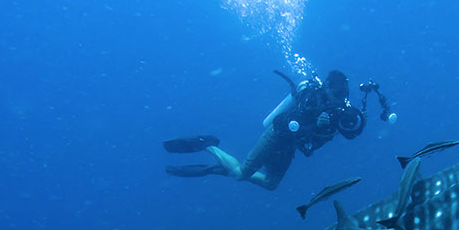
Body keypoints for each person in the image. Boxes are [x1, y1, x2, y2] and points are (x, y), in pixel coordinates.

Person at [164, 70, 394, 191]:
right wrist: (315, 125)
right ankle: (209, 145)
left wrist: (358, 122)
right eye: (339, 93)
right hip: (276, 137)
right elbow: (282, 125)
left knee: (271, 185)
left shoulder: (339, 107)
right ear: (328, 88)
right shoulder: (311, 99)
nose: (342, 98)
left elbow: (348, 133)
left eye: (345, 93)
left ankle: (222, 166)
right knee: (241, 175)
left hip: (289, 147)